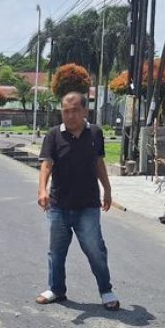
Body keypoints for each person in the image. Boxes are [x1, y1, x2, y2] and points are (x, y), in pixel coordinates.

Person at [36, 92, 119, 310]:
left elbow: (98, 163)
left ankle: (106, 290)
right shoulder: (53, 135)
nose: (70, 115)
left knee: (95, 249)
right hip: (58, 205)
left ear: (85, 111)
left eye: (75, 110)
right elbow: (46, 164)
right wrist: (42, 190)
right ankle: (56, 289)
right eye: (66, 111)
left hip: (88, 206)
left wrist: (107, 190)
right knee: (56, 251)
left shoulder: (95, 133)